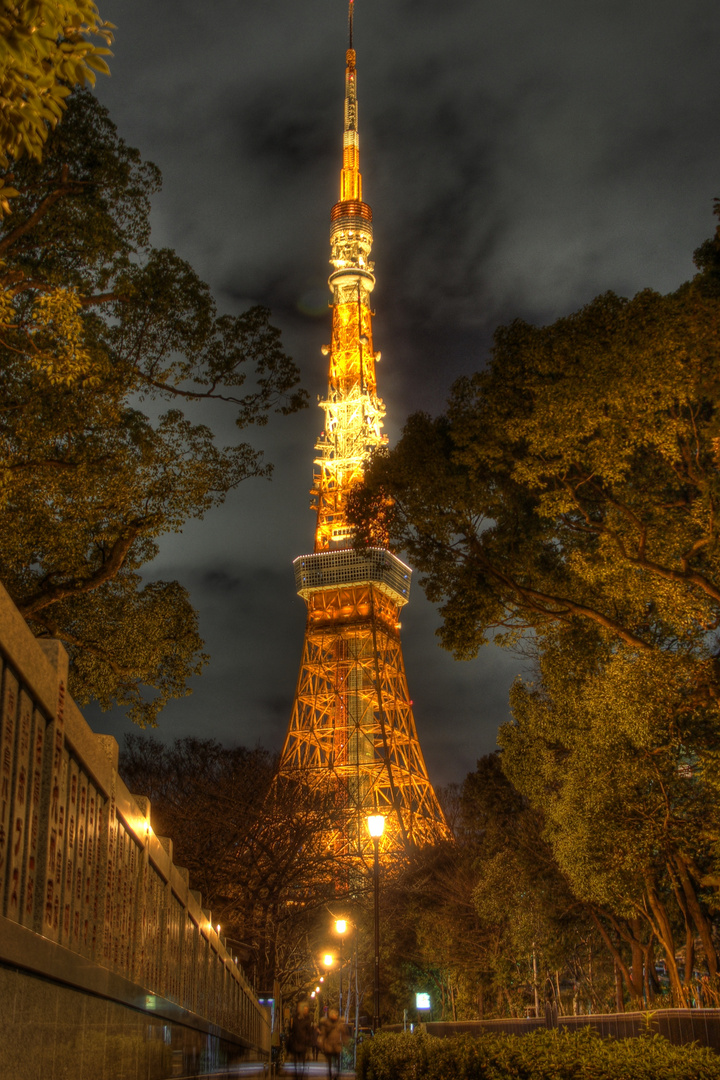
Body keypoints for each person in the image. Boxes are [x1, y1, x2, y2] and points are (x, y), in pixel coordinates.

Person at [288, 1001, 315, 1078]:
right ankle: (297, 1074)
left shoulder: (307, 1020)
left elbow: (309, 1032)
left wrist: (308, 1043)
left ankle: (301, 1074)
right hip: (296, 1042)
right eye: (304, 1009)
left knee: (302, 1060)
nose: (305, 1010)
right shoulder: (294, 1019)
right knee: (296, 1061)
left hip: (303, 1043)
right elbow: (291, 1030)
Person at [318, 1008, 346, 1080]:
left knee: (338, 1064)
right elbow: (323, 1035)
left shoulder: (339, 1023)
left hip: (336, 1046)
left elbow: (343, 1033)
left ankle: (336, 1075)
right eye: (333, 1014)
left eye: (335, 1014)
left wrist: (345, 1041)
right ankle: (330, 1075)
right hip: (329, 1046)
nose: (335, 1016)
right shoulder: (327, 1023)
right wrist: (322, 1043)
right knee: (330, 1063)